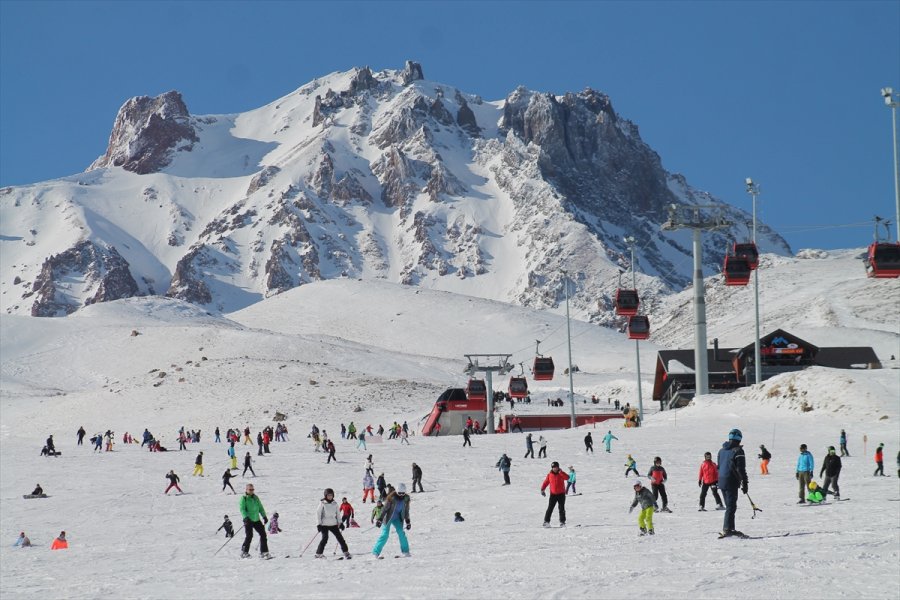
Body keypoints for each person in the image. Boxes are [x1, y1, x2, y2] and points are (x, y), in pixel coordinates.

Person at [717, 428, 749, 537]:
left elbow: (719, 466)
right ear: (739, 439)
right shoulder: (738, 451)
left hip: (721, 481)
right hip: (731, 481)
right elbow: (741, 469)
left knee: (729, 506)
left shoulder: (721, 450)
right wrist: (745, 482)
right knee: (731, 507)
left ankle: (730, 528)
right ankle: (727, 529)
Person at [372, 483, 411, 558]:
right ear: (396, 491)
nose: (401, 495)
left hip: (397, 518)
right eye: (399, 493)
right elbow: (384, 509)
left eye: (403, 493)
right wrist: (380, 519)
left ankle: (406, 551)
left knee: (401, 533)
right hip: (388, 518)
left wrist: (408, 521)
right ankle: (375, 552)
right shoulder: (391, 498)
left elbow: (406, 510)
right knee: (385, 534)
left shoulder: (406, 498)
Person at [239, 483, 270, 559]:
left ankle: (264, 552)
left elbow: (260, 507)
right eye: (250, 489)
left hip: (256, 519)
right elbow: (242, 509)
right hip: (248, 520)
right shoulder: (244, 498)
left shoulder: (255, 497)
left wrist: (264, 516)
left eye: (253, 489)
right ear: (246, 490)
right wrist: (245, 517)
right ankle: (244, 552)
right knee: (249, 536)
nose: (252, 491)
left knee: (263, 534)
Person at [540, 461, 569, 527]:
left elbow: (567, 477)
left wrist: (561, 473)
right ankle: (546, 522)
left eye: (556, 467)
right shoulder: (550, 475)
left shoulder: (561, 473)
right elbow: (546, 482)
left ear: (558, 467)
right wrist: (542, 489)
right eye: (553, 467)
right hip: (553, 494)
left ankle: (562, 522)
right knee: (550, 508)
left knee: (561, 508)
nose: (555, 468)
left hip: (561, 494)